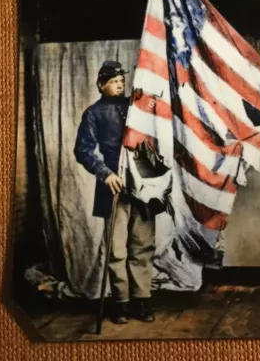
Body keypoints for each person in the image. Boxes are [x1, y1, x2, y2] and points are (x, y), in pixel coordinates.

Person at [74, 60, 156, 324]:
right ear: (101, 85)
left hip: (143, 184)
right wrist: (104, 173)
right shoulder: (93, 113)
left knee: (143, 245)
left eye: (122, 81)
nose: (120, 85)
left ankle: (142, 301)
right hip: (115, 186)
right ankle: (121, 302)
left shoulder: (139, 106)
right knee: (117, 249)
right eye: (113, 81)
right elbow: (83, 150)